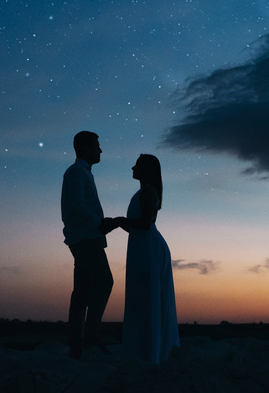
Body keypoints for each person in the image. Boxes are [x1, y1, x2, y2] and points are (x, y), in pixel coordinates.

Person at [115, 153, 179, 364]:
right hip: (144, 246)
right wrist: (118, 223)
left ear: (146, 170)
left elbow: (143, 224)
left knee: (147, 297)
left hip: (149, 249)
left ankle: (149, 354)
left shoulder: (148, 192)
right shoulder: (144, 192)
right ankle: (146, 351)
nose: (132, 168)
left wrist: (118, 221)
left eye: (137, 165)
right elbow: (139, 226)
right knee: (143, 297)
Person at [61, 130, 118, 359]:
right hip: (85, 238)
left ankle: (77, 345)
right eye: (96, 145)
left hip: (86, 236)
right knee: (104, 282)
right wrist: (99, 223)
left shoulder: (83, 173)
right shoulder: (76, 173)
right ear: (84, 148)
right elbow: (75, 206)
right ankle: (91, 339)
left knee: (82, 293)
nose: (100, 150)